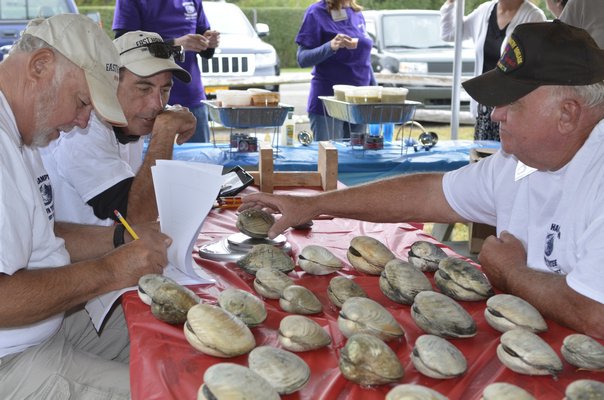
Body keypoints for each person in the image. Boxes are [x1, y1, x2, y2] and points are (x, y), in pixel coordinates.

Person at [240, 20, 604, 338]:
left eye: (512, 103)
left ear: (567, 114)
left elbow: (595, 313)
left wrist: (510, 271)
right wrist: (314, 205)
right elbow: (430, 193)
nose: (496, 114)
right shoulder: (518, 162)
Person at [0, 14, 171, 399]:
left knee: (172, 337)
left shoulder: (21, 135)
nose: (81, 121)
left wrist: (117, 238)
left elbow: (41, 231)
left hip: (46, 323)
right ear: (40, 66)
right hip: (11, 358)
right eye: (81, 102)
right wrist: (111, 270)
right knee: (166, 392)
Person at [41, 31, 196, 226]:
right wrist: (165, 132)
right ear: (110, 85)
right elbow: (136, 217)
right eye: (144, 88)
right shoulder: (82, 130)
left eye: (164, 90)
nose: (157, 104)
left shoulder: (131, 118)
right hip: (72, 255)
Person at [112, 0, 220, 143]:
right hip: (145, 100)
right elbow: (124, 43)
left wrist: (209, 42)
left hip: (192, 96)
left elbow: (206, 51)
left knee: (197, 162)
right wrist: (174, 44)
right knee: (148, 159)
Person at [440, 0, 545, 141]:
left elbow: (534, 67)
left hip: (512, 108)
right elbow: (450, 33)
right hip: (483, 107)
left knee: (509, 157)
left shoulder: (534, 16)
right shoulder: (485, 10)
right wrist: (451, 3)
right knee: (482, 157)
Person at [296, 0, 375, 142]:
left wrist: (375, 90)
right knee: (331, 160)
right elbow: (302, 59)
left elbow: (364, 60)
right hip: (328, 105)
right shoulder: (316, 12)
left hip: (360, 104)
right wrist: (331, 46)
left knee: (357, 161)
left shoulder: (356, 12)